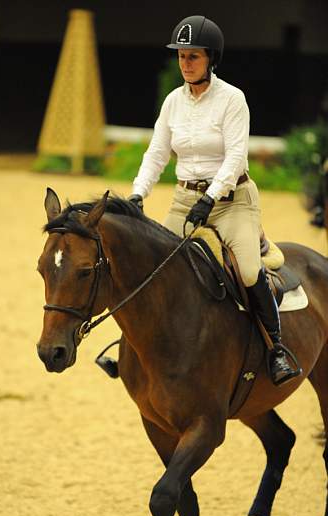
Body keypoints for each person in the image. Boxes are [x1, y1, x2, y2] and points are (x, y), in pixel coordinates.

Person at [127, 15, 301, 386]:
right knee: (151, 267)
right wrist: (138, 193)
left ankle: (276, 350)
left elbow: (236, 156)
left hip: (233, 200)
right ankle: (129, 350)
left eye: (193, 56)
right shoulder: (173, 103)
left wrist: (210, 198)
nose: (186, 63)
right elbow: (156, 154)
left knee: (250, 272)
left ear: (211, 59)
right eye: (181, 56)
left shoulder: (232, 99)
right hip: (183, 201)